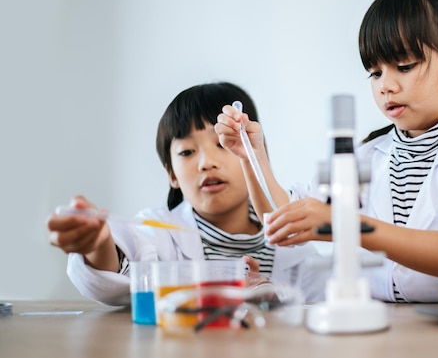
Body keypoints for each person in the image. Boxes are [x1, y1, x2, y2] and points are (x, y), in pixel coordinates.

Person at [216, 0, 438, 303]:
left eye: (404, 66)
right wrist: (251, 157)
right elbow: (287, 220)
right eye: (375, 72)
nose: (385, 85)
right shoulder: (367, 156)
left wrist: (345, 224)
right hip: (401, 330)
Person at [47, 82, 326, 305]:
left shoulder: (297, 247)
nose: (206, 162)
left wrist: (269, 291)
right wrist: (97, 243)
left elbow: (321, 306)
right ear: (172, 174)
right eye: (187, 152)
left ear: (253, 153)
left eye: (223, 144)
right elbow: (124, 271)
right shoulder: (161, 233)